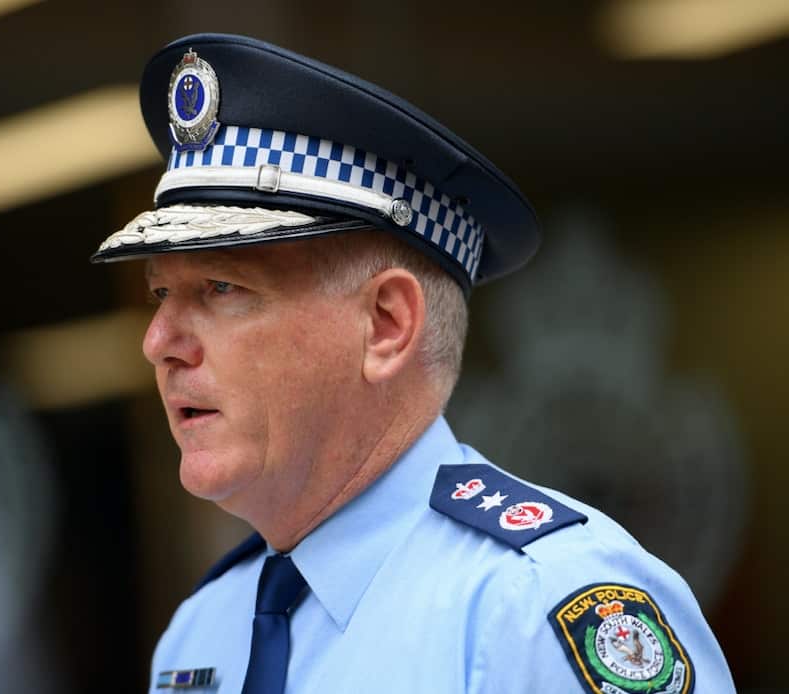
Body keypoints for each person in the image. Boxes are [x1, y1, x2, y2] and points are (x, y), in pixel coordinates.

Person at [92, 33, 735, 694]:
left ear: (385, 326)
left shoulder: (537, 606)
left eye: (221, 289)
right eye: (161, 294)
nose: (158, 340)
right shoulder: (203, 632)